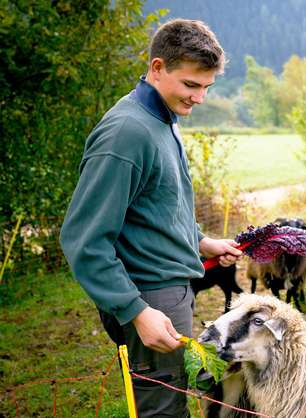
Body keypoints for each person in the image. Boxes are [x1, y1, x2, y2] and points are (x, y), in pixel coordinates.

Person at [60, 19, 241, 417]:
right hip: (149, 298)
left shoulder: (162, 119)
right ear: (157, 68)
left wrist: (199, 241)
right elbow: (83, 240)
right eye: (191, 85)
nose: (200, 98)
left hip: (170, 293)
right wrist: (136, 311)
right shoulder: (127, 133)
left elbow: (158, 206)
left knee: (175, 402)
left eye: (207, 87)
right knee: (163, 411)